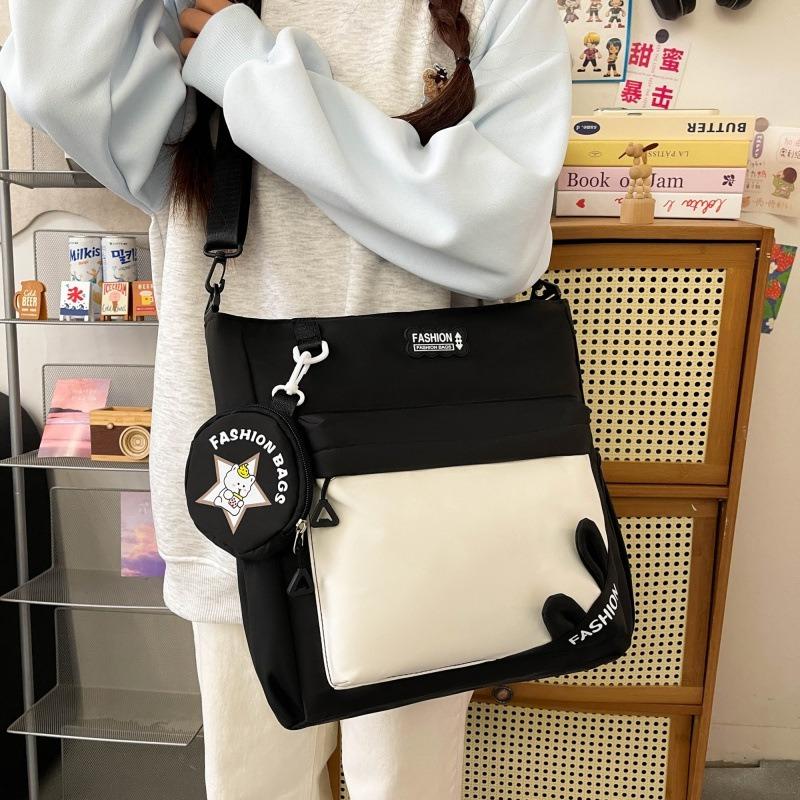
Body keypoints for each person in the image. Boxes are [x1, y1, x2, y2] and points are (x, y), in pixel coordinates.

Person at [0, 1, 570, 797]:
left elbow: (504, 236)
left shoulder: (494, 8)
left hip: (421, 502)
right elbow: (58, 80)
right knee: (258, 786)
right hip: (245, 499)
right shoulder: (185, 8)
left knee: (403, 785)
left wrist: (248, 73)